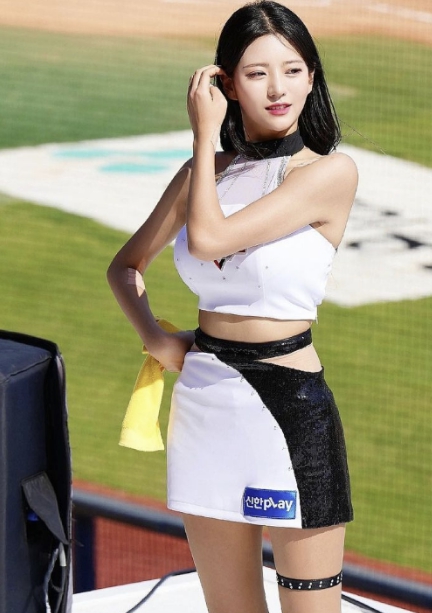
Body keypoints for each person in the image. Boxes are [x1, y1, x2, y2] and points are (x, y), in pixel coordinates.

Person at [107, 1, 358, 611]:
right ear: (224, 83)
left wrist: (201, 135)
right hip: (205, 407)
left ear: (312, 77)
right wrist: (158, 339)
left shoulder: (330, 174)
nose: (278, 89)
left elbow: (209, 239)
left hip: (290, 410)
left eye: (293, 70)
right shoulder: (204, 173)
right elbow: (125, 266)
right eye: (256, 73)